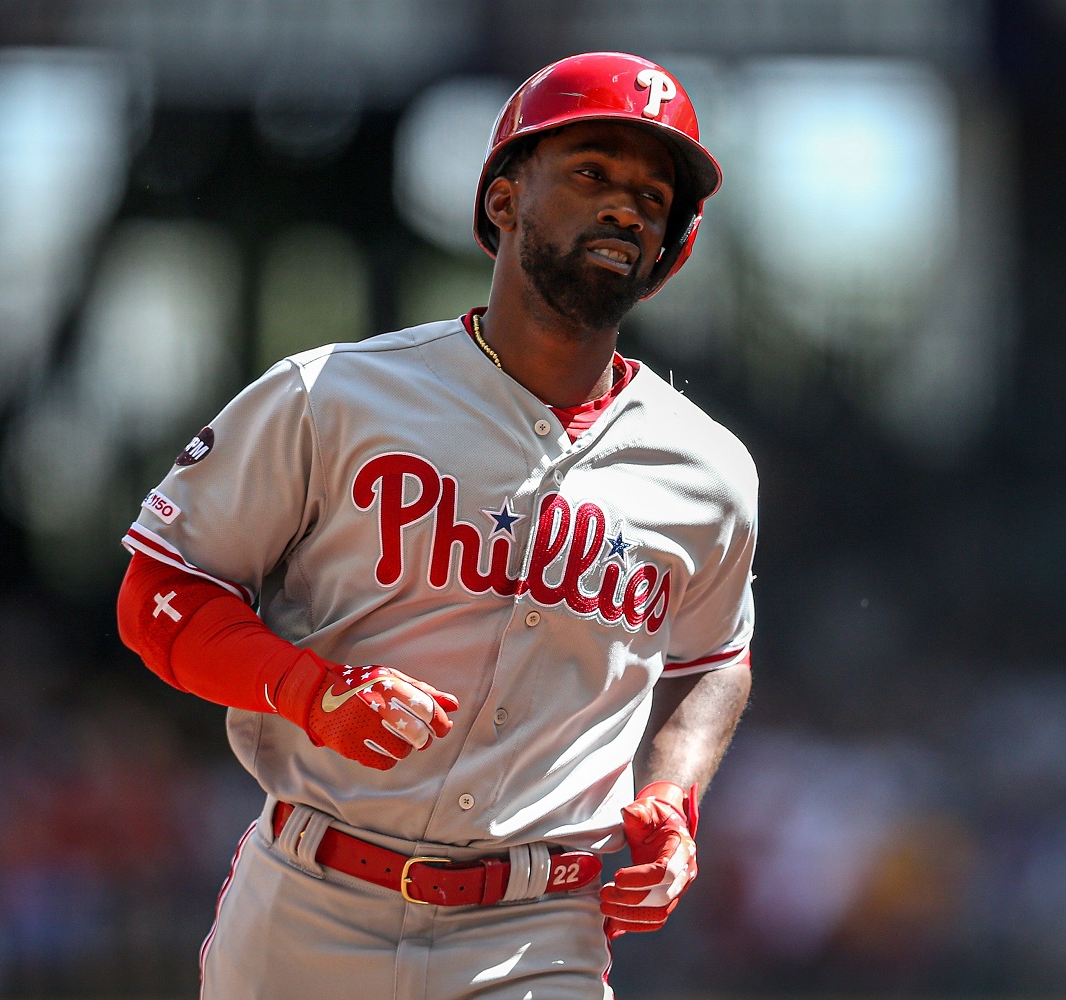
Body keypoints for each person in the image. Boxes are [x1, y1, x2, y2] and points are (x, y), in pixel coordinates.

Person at [116, 50, 756, 1000]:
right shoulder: (333, 395)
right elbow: (161, 592)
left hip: (538, 936)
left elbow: (713, 661)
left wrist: (673, 794)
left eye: (652, 196)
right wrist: (308, 690)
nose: (626, 207)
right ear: (502, 200)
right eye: (590, 174)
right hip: (309, 906)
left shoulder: (708, 472)